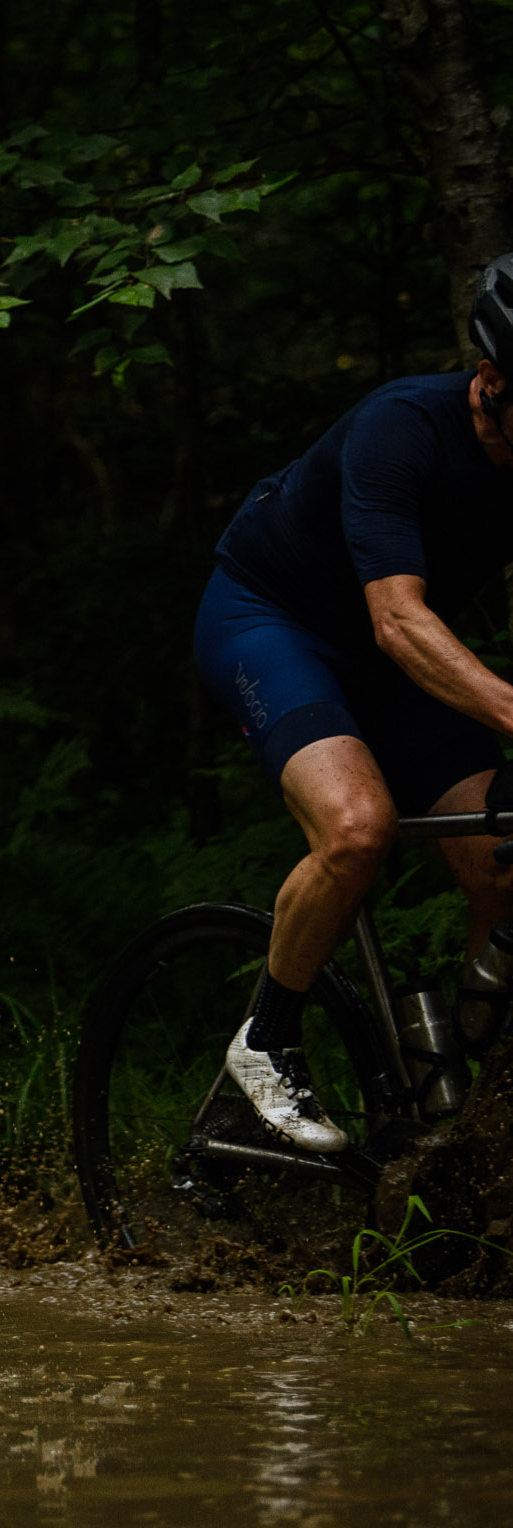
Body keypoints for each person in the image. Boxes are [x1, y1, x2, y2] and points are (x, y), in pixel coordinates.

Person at [190, 253, 513, 1150]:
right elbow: (398, 618)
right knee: (358, 826)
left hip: (396, 660)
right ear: (490, 383)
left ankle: (474, 1120)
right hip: (274, 622)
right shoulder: (403, 427)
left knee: (499, 860)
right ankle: (268, 1037)